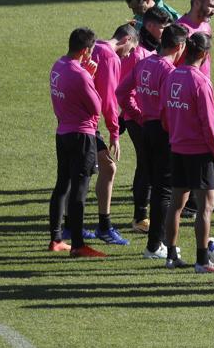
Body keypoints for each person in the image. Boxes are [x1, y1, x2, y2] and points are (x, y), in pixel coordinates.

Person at [117, 24, 188, 260]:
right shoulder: (169, 71)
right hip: (163, 132)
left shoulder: (144, 63)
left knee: (154, 184)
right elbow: (170, 107)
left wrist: (137, 114)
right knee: (164, 192)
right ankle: (155, 244)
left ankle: (156, 241)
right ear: (179, 46)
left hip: (146, 128)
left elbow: (121, 92)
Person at [161, 32, 214, 273]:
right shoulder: (200, 82)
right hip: (199, 152)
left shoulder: (171, 76)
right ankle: (201, 261)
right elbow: (210, 124)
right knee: (205, 207)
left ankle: (171, 256)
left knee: (176, 204)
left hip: (177, 148)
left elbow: (164, 114)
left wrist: (176, 133)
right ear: (204, 54)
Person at [47, 27, 107, 258]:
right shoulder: (80, 74)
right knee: (79, 191)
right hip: (82, 136)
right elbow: (96, 106)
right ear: (84, 50)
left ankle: (56, 238)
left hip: (62, 133)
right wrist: (90, 76)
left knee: (62, 185)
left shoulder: (58, 66)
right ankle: (79, 245)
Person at [87, 24, 140, 247]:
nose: (129, 54)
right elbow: (110, 100)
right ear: (126, 39)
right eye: (131, 48)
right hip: (86, 124)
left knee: (81, 172)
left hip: (74, 118)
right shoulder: (110, 58)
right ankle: (104, 227)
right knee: (108, 168)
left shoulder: (94, 47)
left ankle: (70, 225)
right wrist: (115, 133)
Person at [117, 24, 155, 233]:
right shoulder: (144, 58)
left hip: (131, 116)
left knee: (145, 164)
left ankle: (142, 215)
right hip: (140, 118)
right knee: (147, 165)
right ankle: (141, 217)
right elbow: (124, 90)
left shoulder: (137, 55)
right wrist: (138, 115)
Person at [176, 0, 214, 78]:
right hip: (184, 85)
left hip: (203, 83)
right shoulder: (179, 29)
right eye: (211, 6)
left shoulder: (206, 26)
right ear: (196, 3)